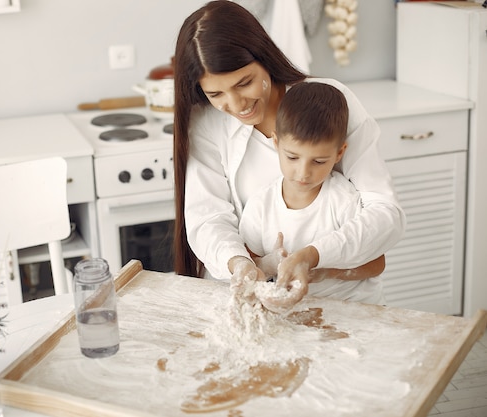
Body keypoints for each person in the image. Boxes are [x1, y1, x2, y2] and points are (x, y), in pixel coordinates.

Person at [172, 0, 405, 303]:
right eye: (216, 94)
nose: (237, 104)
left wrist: (315, 257)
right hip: (259, 298)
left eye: (245, 83)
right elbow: (208, 219)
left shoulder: (328, 101)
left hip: (340, 302)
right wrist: (238, 262)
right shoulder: (206, 123)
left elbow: (385, 214)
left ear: (264, 58)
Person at [238, 82, 385, 307]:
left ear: (339, 153)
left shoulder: (343, 201)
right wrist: (267, 264)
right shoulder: (261, 206)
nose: (303, 173)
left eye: (319, 161)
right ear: (276, 142)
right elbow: (250, 263)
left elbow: (377, 264)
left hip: (352, 309)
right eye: (293, 157)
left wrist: (321, 271)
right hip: (296, 314)